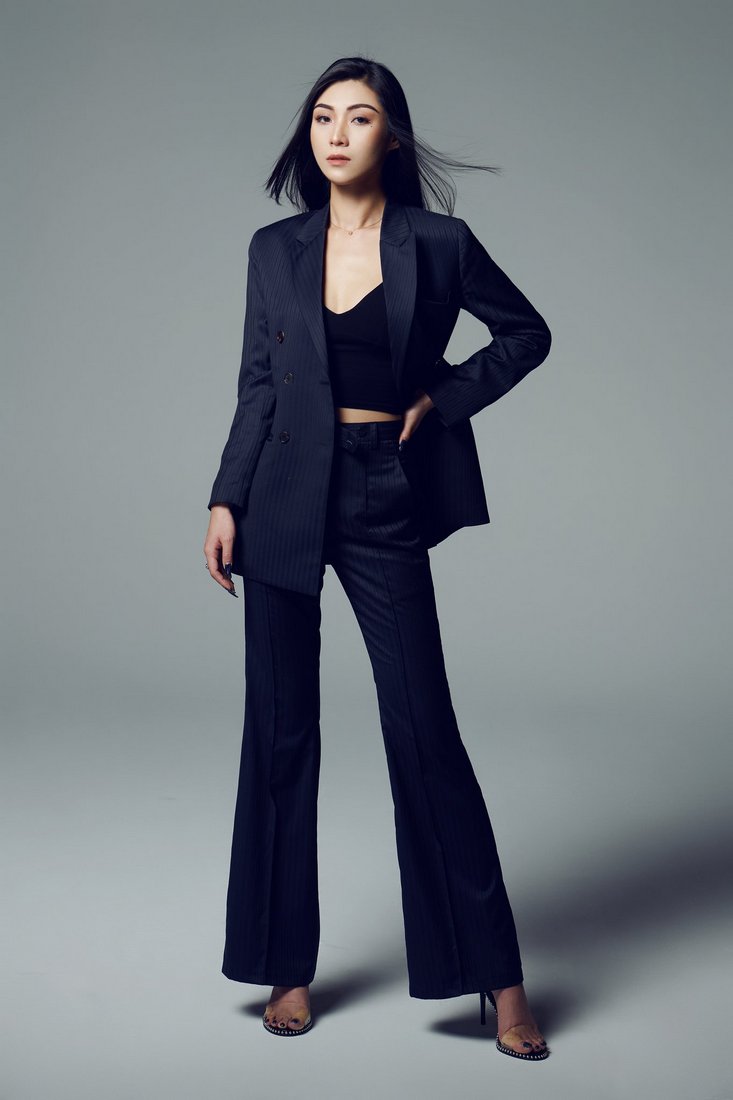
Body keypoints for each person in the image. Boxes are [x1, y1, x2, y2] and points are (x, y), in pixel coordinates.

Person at [203, 56, 551, 1060]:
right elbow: (257, 384)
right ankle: (286, 968)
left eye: (358, 117)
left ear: (390, 135)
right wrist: (224, 495)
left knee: (423, 729)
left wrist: (441, 398)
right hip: (279, 494)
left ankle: (498, 979)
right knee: (279, 733)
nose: (336, 133)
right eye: (323, 116)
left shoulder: (437, 244)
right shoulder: (274, 248)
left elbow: (524, 333)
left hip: (379, 488)